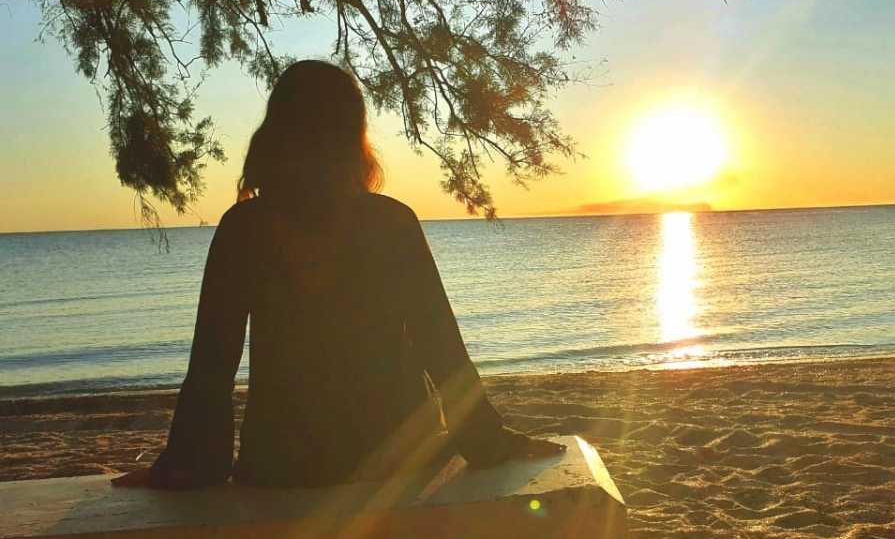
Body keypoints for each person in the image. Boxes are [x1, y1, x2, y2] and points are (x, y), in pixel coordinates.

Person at [114, 60, 561, 490]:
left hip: (282, 464)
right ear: (355, 135)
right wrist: (488, 443)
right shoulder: (392, 222)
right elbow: (440, 345)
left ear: (275, 132)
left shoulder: (243, 228)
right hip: (397, 462)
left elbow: (213, 363)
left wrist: (187, 467)